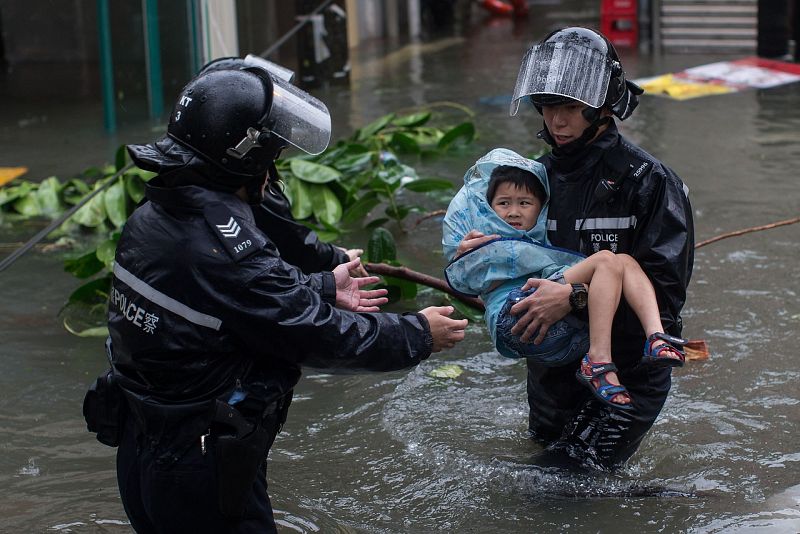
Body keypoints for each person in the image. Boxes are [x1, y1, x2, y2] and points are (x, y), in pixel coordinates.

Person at [93, 64, 468, 533]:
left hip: (146, 446)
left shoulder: (156, 216)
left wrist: (327, 286)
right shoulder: (223, 245)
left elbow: (227, 306)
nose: (275, 172)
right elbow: (313, 333)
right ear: (244, 159)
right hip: (200, 465)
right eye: (271, 157)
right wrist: (417, 333)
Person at [461, 27, 694, 469]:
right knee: (542, 481)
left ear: (602, 107)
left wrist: (573, 297)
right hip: (550, 373)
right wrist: (479, 256)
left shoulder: (650, 182)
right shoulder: (533, 181)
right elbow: (509, 266)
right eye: (547, 108)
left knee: (558, 491)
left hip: (625, 377)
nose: (556, 122)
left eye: (569, 108)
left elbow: (663, 302)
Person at [443, 150, 687, 411]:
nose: (513, 211)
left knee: (623, 261)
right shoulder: (485, 240)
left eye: (524, 203)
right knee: (606, 259)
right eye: (504, 203)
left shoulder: (541, 239)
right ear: (490, 208)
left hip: (558, 328)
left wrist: (574, 293)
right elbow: (465, 276)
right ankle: (598, 359)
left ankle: (657, 337)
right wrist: (464, 255)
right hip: (514, 317)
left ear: (541, 208)